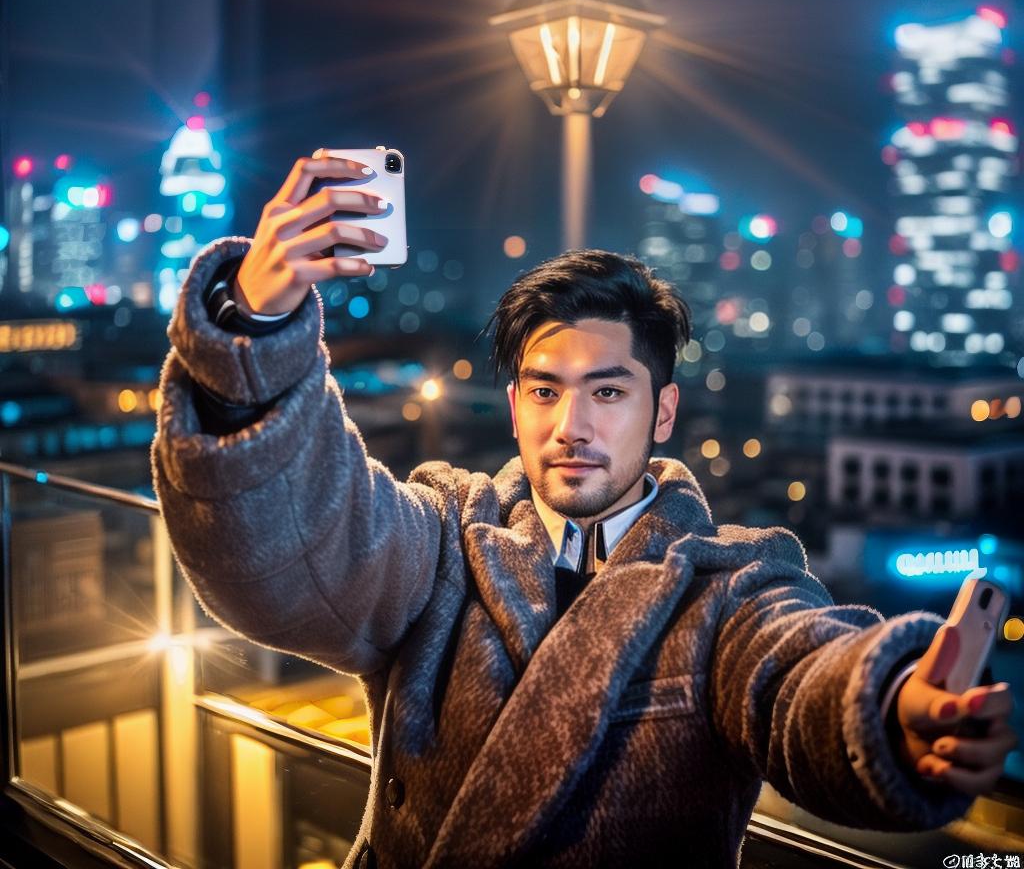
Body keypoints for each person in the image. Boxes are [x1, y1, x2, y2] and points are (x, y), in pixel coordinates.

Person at [152, 156, 1017, 869]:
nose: (572, 427)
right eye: (544, 390)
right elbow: (295, 545)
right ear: (517, 402)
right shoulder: (445, 535)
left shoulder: (729, 582)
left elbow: (795, 677)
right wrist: (253, 324)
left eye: (609, 391)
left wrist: (891, 710)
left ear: (663, 412)